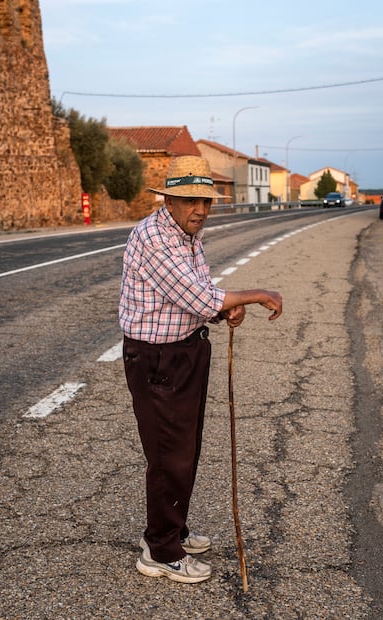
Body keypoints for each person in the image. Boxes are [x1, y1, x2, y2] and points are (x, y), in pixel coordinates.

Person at [119, 155, 282, 584]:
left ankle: (170, 530)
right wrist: (253, 295)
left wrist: (221, 311)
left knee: (184, 450)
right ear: (169, 199)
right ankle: (160, 552)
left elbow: (202, 292)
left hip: (184, 351)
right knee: (169, 455)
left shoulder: (187, 233)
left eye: (206, 201)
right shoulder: (155, 237)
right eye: (191, 200)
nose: (201, 210)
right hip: (158, 359)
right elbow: (198, 297)